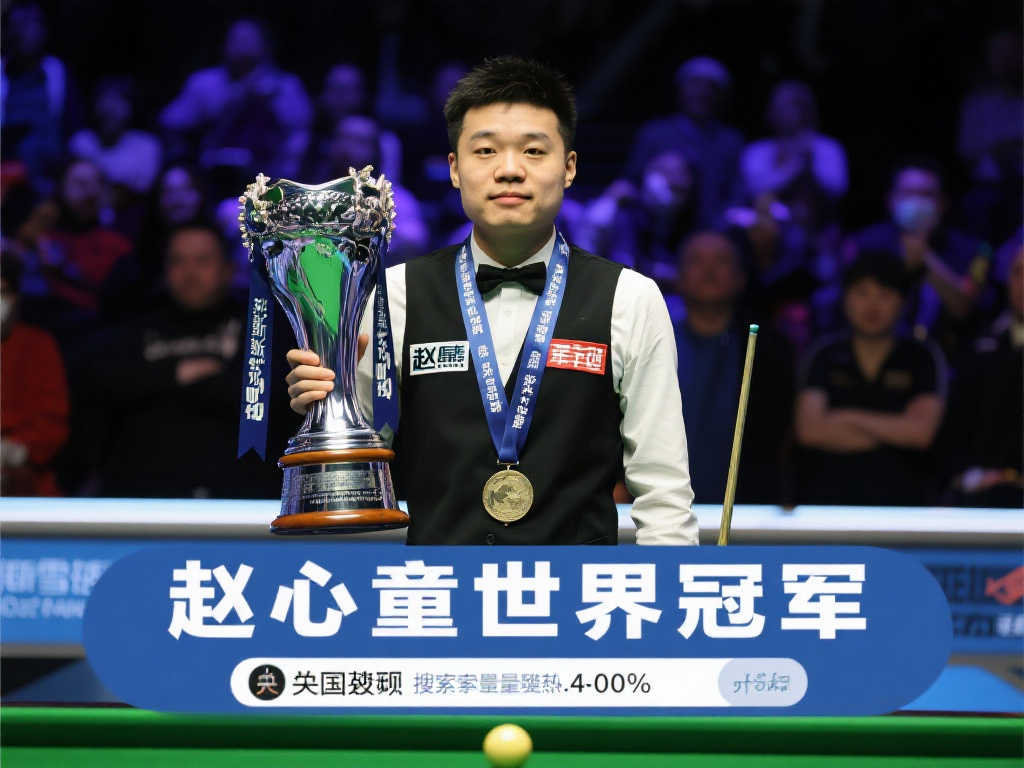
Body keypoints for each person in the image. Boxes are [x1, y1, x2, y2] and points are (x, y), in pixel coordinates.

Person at [285, 57, 696, 545]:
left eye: (533, 151)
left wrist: (669, 586)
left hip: (577, 590)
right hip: (437, 585)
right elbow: (360, 477)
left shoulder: (631, 298)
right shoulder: (394, 295)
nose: (509, 170)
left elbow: (664, 495)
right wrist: (330, 404)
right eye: (485, 151)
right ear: (455, 169)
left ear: (569, 168)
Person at [87, 223, 289, 498]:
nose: (189, 273)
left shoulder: (265, 325)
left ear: (228, 269)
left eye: (202, 261)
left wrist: (161, 387)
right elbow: (102, 385)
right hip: (143, 499)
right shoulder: (134, 327)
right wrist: (178, 373)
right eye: (178, 261)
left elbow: (274, 396)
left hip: (243, 499)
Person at [795, 252, 947, 506]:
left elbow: (920, 434)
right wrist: (894, 431)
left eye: (885, 294)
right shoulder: (824, 354)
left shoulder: (922, 356)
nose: (872, 305)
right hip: (827, 504)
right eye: (862, 293)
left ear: (903, 302)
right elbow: (810, 431)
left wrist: (845, 417)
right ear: (845, 299)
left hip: (906, 504)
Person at [672, 233, 794, 505]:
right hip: (661, 508)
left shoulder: (770, 349)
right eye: (696, 261)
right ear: (678, 278)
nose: (709, 270)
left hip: (750, 511)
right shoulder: (652, 342)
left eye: (722, 261)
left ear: (741, 277)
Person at [160, 18, 312, 182]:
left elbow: (301, 133)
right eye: (237, 38)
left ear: (265, 44)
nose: (242, 44)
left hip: (270, 173)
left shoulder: (286, 86)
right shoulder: (205, 82)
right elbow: (171, 123)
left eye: (248, 38)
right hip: (211, 170)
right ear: (225, 44)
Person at [943, 237, 1023, 508]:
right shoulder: (978, 345)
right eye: (1018, 272)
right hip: (979, 495)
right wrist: (967, 476)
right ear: (1006, 279)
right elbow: (956, 428)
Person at [624, 57, 743, 230]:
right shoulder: (654, 133)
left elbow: (737, 192)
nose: (701, 93)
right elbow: (633, 180)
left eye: (710, 87)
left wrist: (722, 224)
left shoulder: (730, 141)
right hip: (654, 226)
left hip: (712, 230)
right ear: (681, 89)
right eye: (694, 84)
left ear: (721, 96)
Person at [0, 251, 69, 496]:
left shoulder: (37, 345)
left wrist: (14, 450)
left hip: (25, 484)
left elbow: (53, 422)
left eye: (3, 292)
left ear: (15, 297)